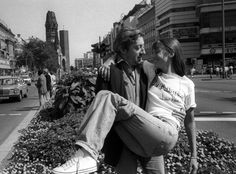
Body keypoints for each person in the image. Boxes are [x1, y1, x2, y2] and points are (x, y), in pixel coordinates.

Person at [52, 38, 198, 174]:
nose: (151, 55)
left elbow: (190, 121)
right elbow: (126, 55)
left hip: (167, 131)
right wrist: (108, 60)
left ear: (170, 53)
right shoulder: (152, 71)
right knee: (107, 103)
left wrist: (194, 156)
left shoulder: (187, 84)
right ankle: (84, 155)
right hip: (145, 131)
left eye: (157, 52)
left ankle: (86, 155)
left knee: (108, 97)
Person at [96, 27, 162, 174]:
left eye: (143, 47)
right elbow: (101, 108)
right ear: (123, 50)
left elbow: (170, 63)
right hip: (122, 140)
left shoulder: (147, 69)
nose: (143, 51)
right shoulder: (108, 72)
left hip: (147, 136)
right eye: (138, 48)